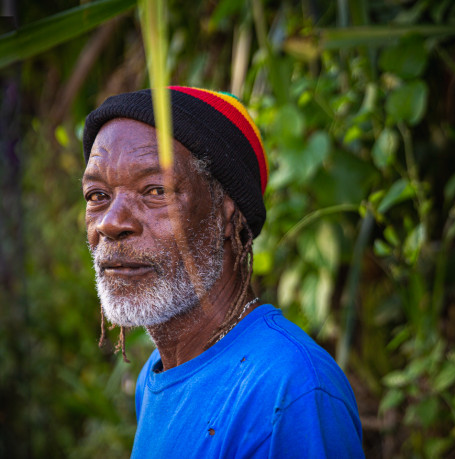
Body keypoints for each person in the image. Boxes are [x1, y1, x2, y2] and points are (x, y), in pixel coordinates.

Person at [81, 86, 364, 457]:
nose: (111, 222)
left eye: (155, 190)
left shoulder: (290, 391)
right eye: (97, 195)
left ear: (227, 214)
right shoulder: (158, 373)